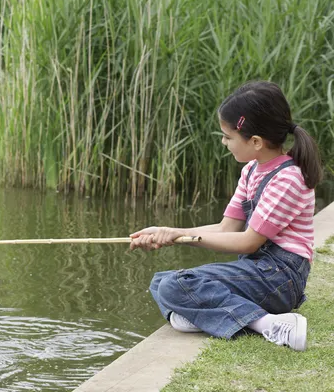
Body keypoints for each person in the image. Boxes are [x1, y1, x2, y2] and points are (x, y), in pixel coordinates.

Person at [130, 81, 322, 351]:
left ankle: (270, 324)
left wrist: (180, 237)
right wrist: (169, 231)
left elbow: (247, 242)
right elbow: (225, 228)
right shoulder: (252, 171)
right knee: (161, 280)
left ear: (255, 141)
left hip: (279, 278)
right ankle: (206, 315)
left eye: (228, 137)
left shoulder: (288, 179)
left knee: (176, 285)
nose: (223, 142)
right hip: (259, 270)